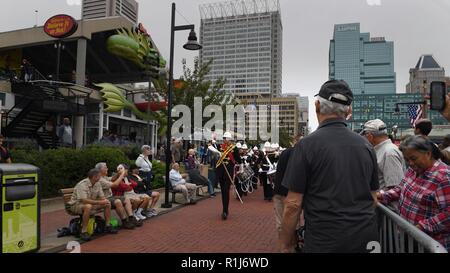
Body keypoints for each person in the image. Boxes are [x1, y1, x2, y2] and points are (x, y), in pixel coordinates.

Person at [280, 80, 379, 253]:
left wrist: (285, 243)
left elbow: (293, 204)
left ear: (317, 105)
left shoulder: (306, 145)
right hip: (365, 239)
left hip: (324, 240)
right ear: (349, 111)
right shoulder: (366, 145)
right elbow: (373, 198)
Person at [378, 135, 450, 251]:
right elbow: (400, 189)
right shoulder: (413, 170)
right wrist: (382, 195)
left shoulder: (443, 177)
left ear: (428, 153)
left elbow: (448, 213)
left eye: (414, 158)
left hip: (430, 244)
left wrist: (421, 227)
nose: (410, 163)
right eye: (407, 160)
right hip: (410, 239)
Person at [66, 169, 118, 241]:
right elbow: (83, 200)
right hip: (75, 205)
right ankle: (84, 231)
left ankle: (108, 225)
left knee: (107, 203)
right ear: (94, 177)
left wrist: (104, 201)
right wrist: (99, 202)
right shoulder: (82, 184)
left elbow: (102, 197)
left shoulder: (97, 183)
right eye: (99, 176)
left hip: (89, 204)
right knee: (88, 206)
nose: (100, 178)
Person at [361, 119, 405, 190]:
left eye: (365, 135)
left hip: (383, 200)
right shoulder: (383, 150)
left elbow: (395, 187)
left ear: (370, 136)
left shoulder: (389, 152)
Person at [273, 134, 303, 242]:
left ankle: (283, 246)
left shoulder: (284, 153)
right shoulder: (301, 154)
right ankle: (292, 245)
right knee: (293, 222)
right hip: (292, 193)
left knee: (281, 222)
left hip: (279, 191)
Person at [95, 162, 136, 229]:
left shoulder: (104, 177)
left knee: (126, 199)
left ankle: (131, 218)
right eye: (105, 167)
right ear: (100, 170)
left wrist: (119, 173)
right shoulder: (100, 179)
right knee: (117, 201)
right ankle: (124, 221)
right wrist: (122, 174)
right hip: (104, 199)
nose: (107, 168)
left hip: (110, 197)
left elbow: (112, 178)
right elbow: (115, 185)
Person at [216, 131, 241, 220]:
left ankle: (225, 211)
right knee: (223, 191)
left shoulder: (234, 148)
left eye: (226, 138)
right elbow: (216, 158)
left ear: (229, 139)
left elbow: (239, 160)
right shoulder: (220, 147)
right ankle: (224, 209)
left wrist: (234, 161)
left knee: (226, 190)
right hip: (221, 171)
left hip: (228, 172)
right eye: (224, 138)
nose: (224, 140)